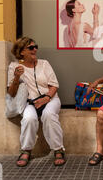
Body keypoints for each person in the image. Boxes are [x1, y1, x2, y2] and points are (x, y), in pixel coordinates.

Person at [7, 37, 66, 167]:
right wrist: (16, 77)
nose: (35, 49)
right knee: (29, 118)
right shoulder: (14, 67)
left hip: (50, 98)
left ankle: (58, 149)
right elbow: (11, 93)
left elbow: (54, 85)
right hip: (29, 102)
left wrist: (46, 98)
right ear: (21, 52)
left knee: (49, 115)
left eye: (35, 47)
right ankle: (26, 150)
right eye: (31, 48)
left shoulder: (44, 64)